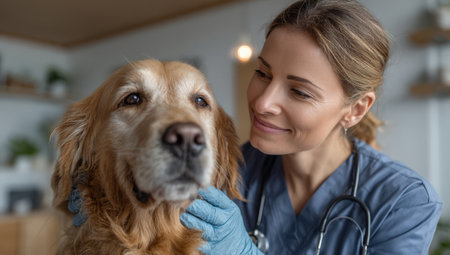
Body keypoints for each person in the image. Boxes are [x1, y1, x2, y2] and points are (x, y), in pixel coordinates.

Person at [180, 0, 443, 254]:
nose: (263, 103)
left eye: (299, 92)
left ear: (356, 109)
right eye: (262, 74)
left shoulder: (403, 202)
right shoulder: (228, 172)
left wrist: (243, 251)